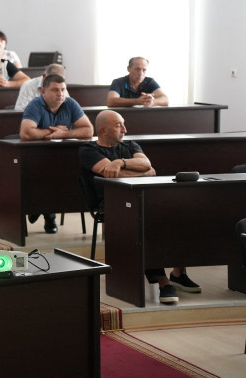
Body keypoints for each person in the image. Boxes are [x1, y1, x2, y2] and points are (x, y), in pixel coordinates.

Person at [79, 110, 199, 304]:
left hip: (142, 198)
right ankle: (163, 282)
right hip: (112, 204)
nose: (125, 130)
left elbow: (146, 163)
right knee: (145, 223)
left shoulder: (130, 145)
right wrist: (143, 173)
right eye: (118, 125)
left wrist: (121, 162)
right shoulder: (88, 150)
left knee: (178, 214)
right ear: (103, 129)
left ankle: (178, 273)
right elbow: (114, 176)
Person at [20, 74, 92, 234]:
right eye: (55, 90)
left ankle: (40, 209)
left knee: (69, 174)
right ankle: (48, 214)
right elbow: (26, 133)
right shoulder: (35, 105)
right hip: (35, 158)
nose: (60, 94)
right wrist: (49, 131)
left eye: (63, 89)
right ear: (43, 91)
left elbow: (88, 129)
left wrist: (61, 134)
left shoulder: (70, 103)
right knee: (47, 176)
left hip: (61, 157)